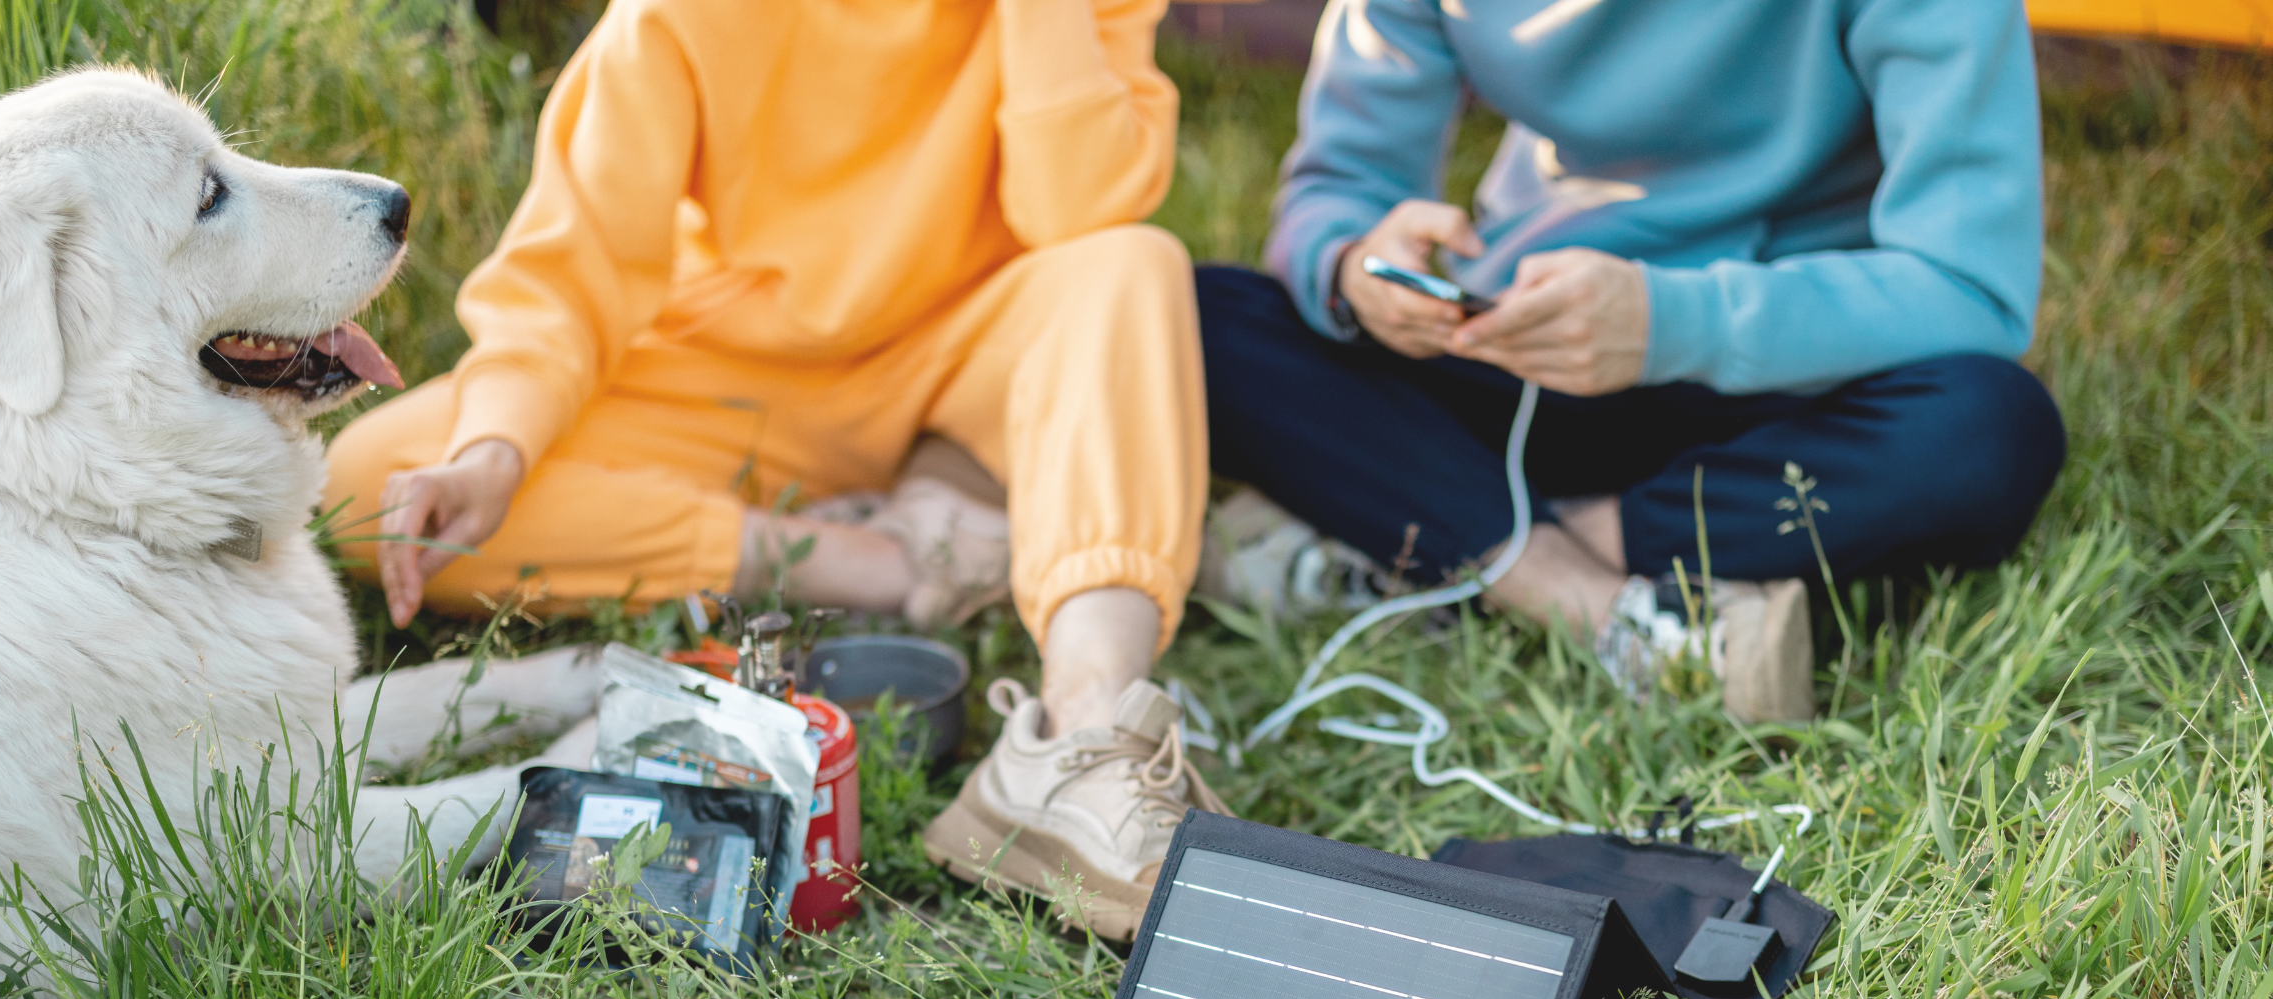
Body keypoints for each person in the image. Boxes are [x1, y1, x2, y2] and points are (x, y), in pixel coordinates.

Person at [327, 0, 1223, 938]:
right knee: (370, 483)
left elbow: (1081, 210)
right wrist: (492, 450)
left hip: (970, 353)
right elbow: (569, 275)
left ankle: (1079, 733)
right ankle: (880, 551)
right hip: (733, 383)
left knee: (1133, 264)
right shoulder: (674, 19)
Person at [1196, 0, 2069, 723]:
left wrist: (1668, 322)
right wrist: (1359, 268)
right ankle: (1583, 601)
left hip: (1786, 383)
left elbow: (1969, 288)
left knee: (1990, 430)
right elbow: (1336, 192)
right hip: (1520, 348)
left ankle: (1426, 541)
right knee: (1195, 317)